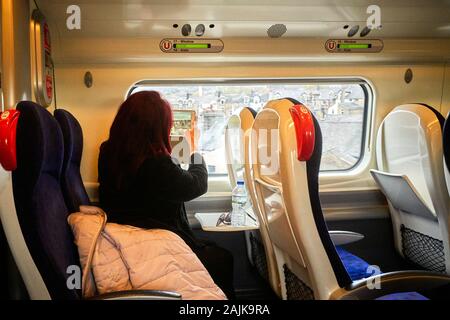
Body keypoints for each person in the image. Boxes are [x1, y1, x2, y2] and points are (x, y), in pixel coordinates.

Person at [98, 91, 235, 299]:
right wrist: (196, 154)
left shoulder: (108, 152)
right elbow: (196, 185)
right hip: (154, 244)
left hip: (129, 237)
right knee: (222, 258)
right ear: (156, 129)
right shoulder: (155, 163)